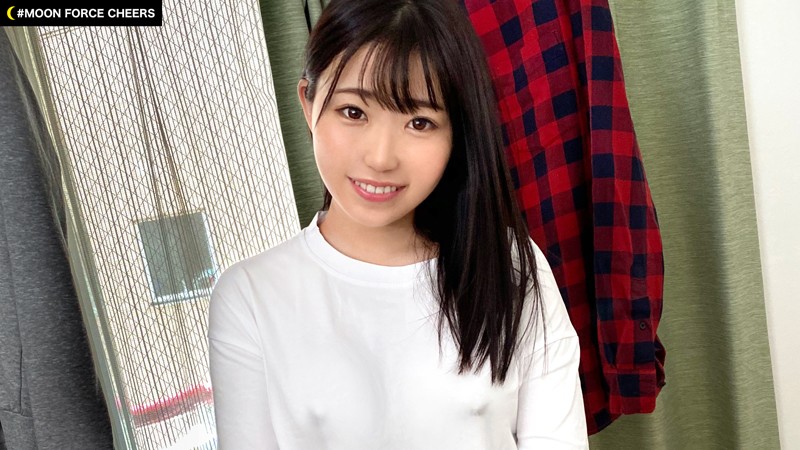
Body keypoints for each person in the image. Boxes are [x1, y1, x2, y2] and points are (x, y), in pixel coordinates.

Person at [207, 0, 589, 448]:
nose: (381, 157)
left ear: (456, 132)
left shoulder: (509, 265)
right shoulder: (249, 296)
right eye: (353, 112)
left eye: (420, 122)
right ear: (309, 105)